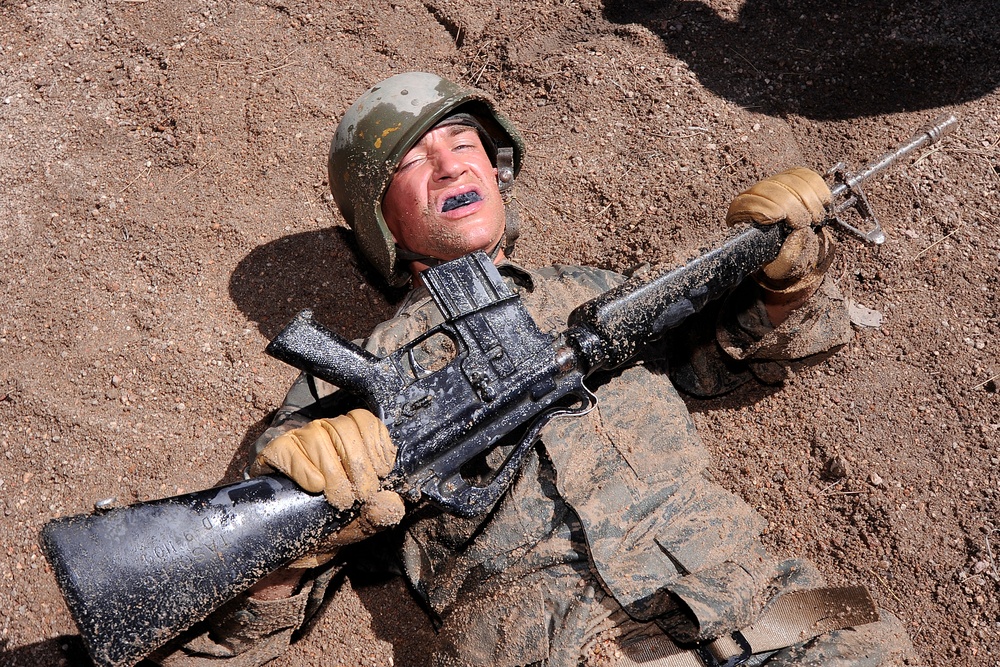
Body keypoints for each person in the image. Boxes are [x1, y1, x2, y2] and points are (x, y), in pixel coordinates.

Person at [149, 72, 914, 667]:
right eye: (413, 161)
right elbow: (220, 640)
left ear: (497, 165)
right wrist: (305, 540)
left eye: (462, 141)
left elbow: (725, 365)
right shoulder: (350, 389)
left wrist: (783, 281)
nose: (449, 164)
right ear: (381, 219)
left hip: (786, 624)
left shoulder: (604, 294)